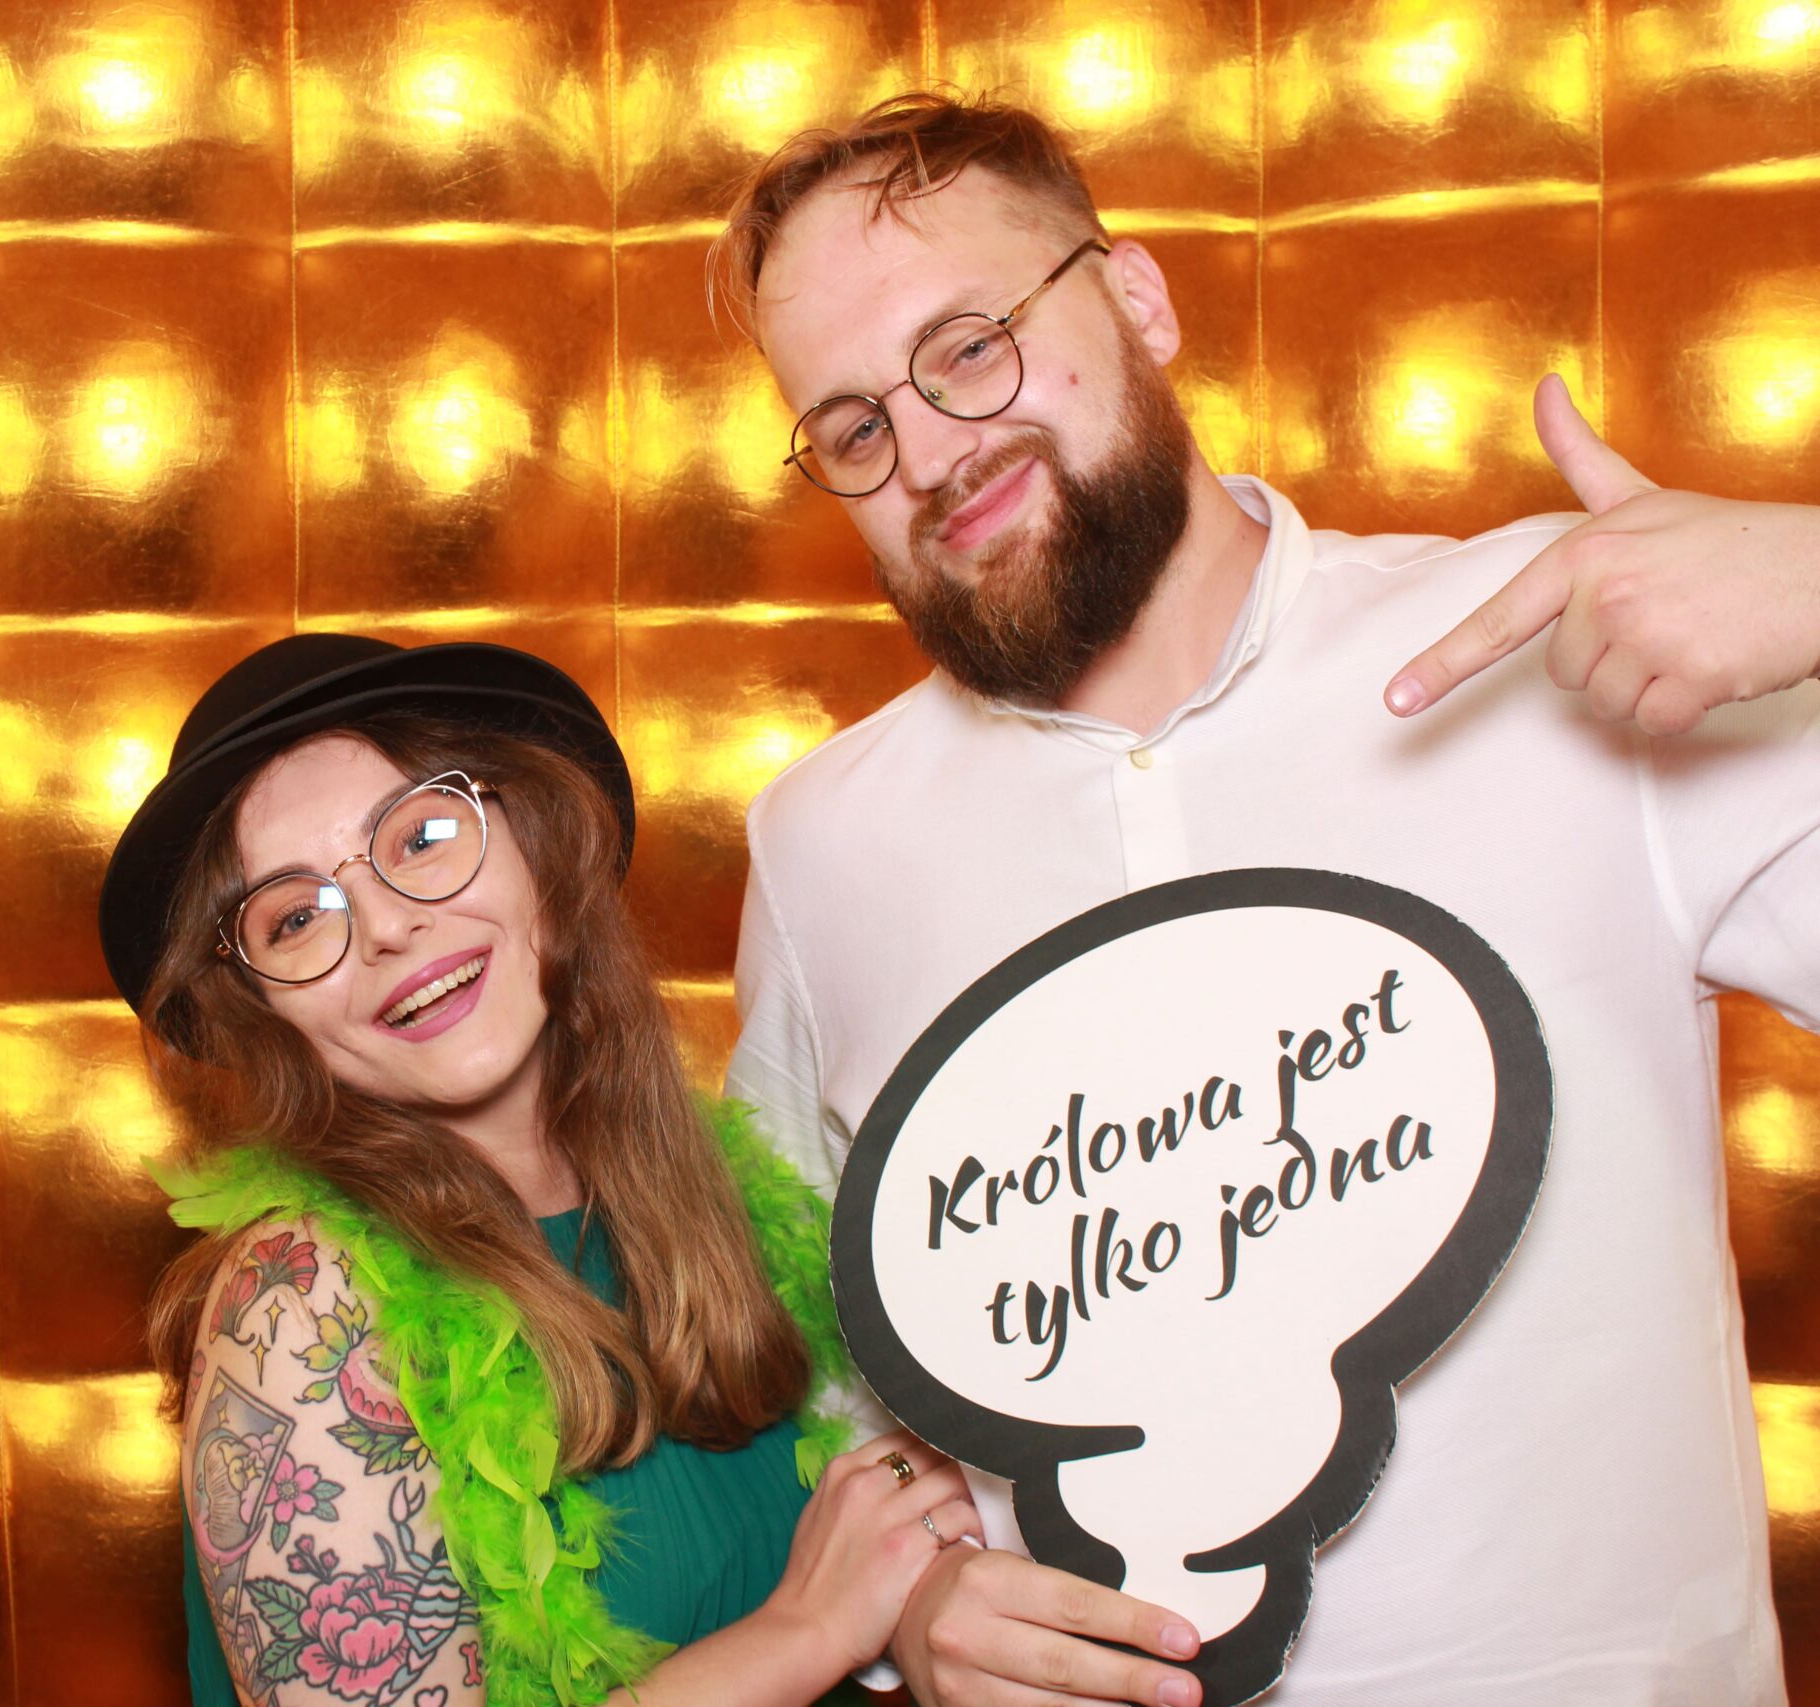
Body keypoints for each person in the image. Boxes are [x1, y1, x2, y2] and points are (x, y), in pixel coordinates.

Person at [710, 93, 1820, 1707]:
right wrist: (917, 1599)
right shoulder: (822, 843)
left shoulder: (1560, 637)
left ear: (1139, 299)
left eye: (970, 347)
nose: (933, 453)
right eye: (856, 429)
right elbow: (824, 1349)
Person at [104, 633, 1005, 1707]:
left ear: (534, 836)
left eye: (421, 836)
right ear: (261, 1007)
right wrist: (806, 1630)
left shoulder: (723, 1193)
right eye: (295, 918)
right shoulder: (296, 1309)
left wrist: (926, 1574)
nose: (387, 925)